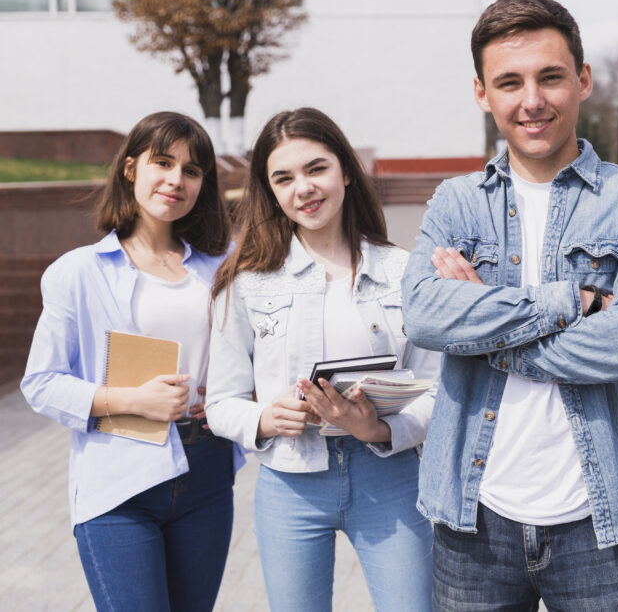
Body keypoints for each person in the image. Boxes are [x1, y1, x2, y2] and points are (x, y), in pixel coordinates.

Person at [400, 0, 618, 610]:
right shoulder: (457, 201)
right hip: (472, 519)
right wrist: (572, 300)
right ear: (482, 93)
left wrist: (481, 321)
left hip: (599, 521)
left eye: (550, 76)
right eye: (510, 82)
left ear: (581, 80)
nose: (532, 100)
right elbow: (424, 316)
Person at [204, 107, 437, 612]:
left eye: (316, 169)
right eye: (283, 178)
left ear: (346, 171)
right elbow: (220, 402)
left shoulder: (405, 273)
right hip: (290, 485)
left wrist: (377, 429)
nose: (302, 188)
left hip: (391, 478)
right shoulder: (244, 283)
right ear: (269, 191)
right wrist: (264, 417)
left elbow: (438, 387)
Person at [21, 112, 238, 611]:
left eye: (192, 170)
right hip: (119, 479)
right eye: (163, 162)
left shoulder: (223, 264)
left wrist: (235, 396)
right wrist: (131, 399)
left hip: (205, 469)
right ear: (130, 168)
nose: (176, 180)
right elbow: (41, 382)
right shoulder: (79, 271)